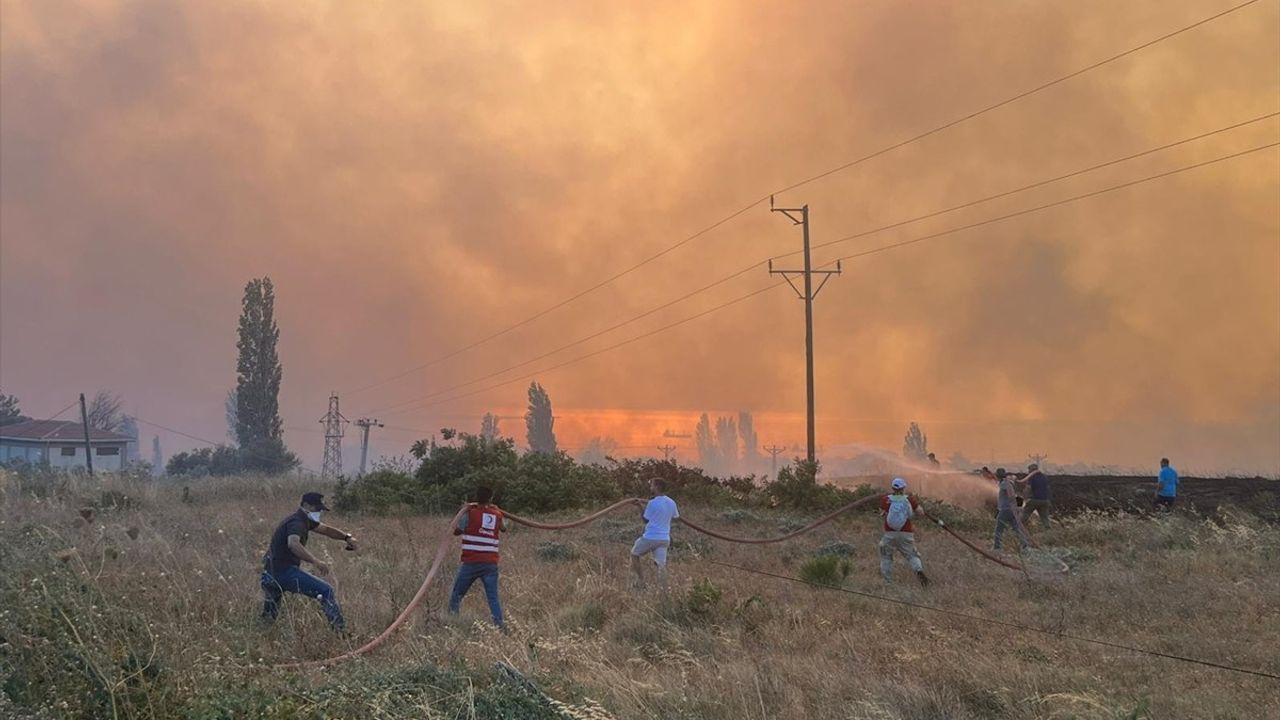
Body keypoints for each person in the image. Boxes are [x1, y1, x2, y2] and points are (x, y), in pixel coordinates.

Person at [260, 491, 358, 631]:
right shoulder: (297, 523)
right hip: (284, 573)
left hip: (270, 572)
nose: (318, 512)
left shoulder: (302, 520)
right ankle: (341, 632)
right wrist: (315, 561)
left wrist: (346, 537)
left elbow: (326, 530)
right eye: (316, 508)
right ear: (306, 505)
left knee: (268, 619)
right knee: (326, 591)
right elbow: (293, 543)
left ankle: (263, 633)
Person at [449, 486, 508, 627]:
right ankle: (500, 626)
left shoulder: (470, 514)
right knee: (493, 598)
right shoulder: (497, 515)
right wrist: (497, 510)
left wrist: (462, 511)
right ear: (491, 499)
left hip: (471, 562)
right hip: (490, 563)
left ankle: (451, 623)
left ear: (476, 497)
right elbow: (504, 528)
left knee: (457, 594)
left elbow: (456, 531)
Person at [631, 477, 678, 592]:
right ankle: (664, 591)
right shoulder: (671, 502)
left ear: (657, 487)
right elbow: (676, 518)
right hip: (664, 539)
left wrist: (640, 506)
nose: (650, 487)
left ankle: (641, 582)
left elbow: (645, 520)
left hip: (650, 537)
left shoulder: (652, 503)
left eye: (651, 485)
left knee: (634, 554)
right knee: (661, 566)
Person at [878, 477, 929, 586]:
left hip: (889, 533)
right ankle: (918, 570)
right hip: (906, 533)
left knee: (886, 555)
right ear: (903, 488)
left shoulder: (886, 499)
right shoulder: (909, 500)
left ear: (892, 488)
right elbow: (920, 512)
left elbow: (881, 513)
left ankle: (887, 581)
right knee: (912, 555)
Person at [991, 468, 1030, 552]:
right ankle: (1025, 546)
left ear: (998, 476)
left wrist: (1012, 501)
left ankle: (997, 548)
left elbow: (1011, 495)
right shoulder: (1005, 482)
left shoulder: (1005, 483)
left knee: (998, 529)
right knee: (1016, 529)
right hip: (1011, 510)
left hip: (1005, 510)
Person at [1020, 463, 1051, 529]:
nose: (1028, 471)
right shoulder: (1044, 477)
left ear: (1031, 470)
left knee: (1025, 514)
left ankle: (1019, 528)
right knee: (1045, 518)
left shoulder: (1031, 477)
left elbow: (1028, 488)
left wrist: (1025, 497)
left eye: (1029, 470)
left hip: (1034, 500)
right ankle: (1048, 530)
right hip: (1045, 500)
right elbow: (1047, 488)